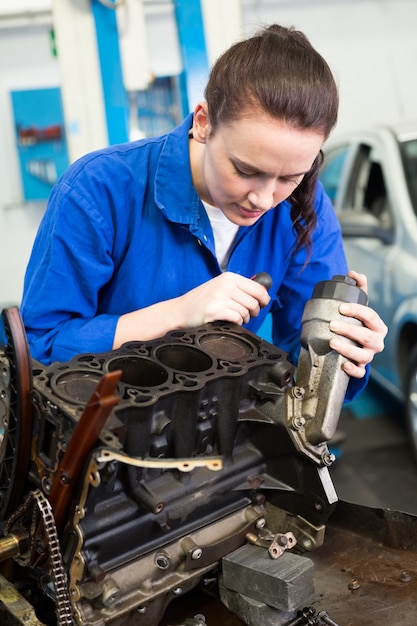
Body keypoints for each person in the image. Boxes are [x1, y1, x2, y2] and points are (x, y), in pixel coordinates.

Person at [21, 23, 386, 402]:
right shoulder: (99, 189)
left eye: (290, 177)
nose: (263, 198)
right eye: (245, 171)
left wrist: (343, 352)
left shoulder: (303, 208)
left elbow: (302, 371)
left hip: (223, 432)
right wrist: (177, 312)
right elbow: (39, 346)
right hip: (104, 430)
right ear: (203, 123)